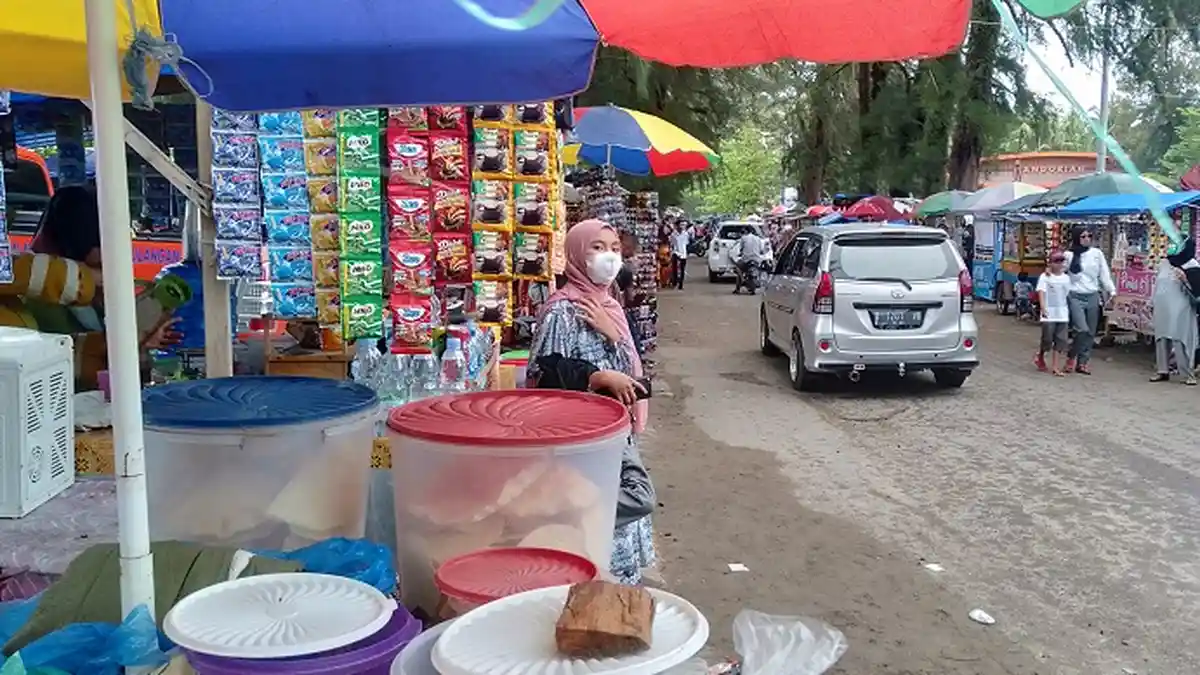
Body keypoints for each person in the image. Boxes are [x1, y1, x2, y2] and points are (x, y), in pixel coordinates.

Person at [527, 219, 656, 585]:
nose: (609, 257)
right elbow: (542, 377)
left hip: (615, 434)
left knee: (615, 538)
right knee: (591, 539)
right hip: (581, 444)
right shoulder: (562, 310)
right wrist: (594, 377)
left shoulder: (608, 304)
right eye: (597, 248)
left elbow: (627, 364)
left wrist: (613, 335)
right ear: (576, 254)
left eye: (615, 248)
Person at [0, 185, 180, 388]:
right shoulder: (36, 294)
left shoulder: (75, 287)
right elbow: (53, 361)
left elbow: (68, 355)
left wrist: (138, 342)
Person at [1062, 226, 1115, 375]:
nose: (1087, 239)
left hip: (1092, 295)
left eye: (1089, 236)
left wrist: (1112, 291)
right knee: (1081, 329)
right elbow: (1060, 272)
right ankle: (1072, 355)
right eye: (1083, 236)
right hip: (1074, 295)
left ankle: (1083, 362)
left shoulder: (1096, 254)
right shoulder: (1068, 255)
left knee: (1091, 332)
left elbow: (1104, 274)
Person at [1150, 256, 1198, 385]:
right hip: (1163, 306)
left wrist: (1185, 279)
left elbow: (1197, 289)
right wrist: (1152, 302)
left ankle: (1187, 373)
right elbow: (1157, 284)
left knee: (1180, 338)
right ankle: (1162, 370)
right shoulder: (1164, 263)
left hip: (1181, 306)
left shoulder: (1191, 264)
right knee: (1161, 338)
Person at [1034, 253, 1071, 375]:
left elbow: (1067, 294)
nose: (1059, 264)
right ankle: (1040, 355)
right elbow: (1041, 291)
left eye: (1061, 262)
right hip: (1049, 312)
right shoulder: (1045, 276)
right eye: (1056, 262)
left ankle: (1055, 366)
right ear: (1051, 263)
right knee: (1047, 339)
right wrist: (1043, 307)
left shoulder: (1066, 278)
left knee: (1061, 340)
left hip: (1062, 313)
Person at [731, 228, 768, 295]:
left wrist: (741, 253)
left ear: (746, 231)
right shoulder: (758, 239)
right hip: (756, 260)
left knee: (737, 267)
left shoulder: (743, 238)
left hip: (746, 260)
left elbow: (741, 249)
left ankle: (741, 282)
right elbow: (761, 250)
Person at [670, 221, 693, 290]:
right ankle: (674, 282)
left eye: (683, 225)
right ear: (677, 226)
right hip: (675, 253)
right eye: (681, 225)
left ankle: (681, 284)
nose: (682, 227)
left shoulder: (685, 234)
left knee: (682, 269)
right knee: (675, 269)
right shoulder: (673, 234)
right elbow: (672, 244)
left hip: (683, 253)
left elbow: (687, 243)